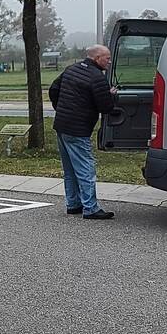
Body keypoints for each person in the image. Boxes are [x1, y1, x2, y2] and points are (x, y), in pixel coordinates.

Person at [48, 45, 117, 220]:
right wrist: (111, 95)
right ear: (96, 59)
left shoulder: (71, 69)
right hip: (78, 130)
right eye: (107, 58)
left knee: (70, 169)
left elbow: (53, 90)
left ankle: (73, 204)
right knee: (86, 168)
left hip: (62, 125)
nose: (109, 61)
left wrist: (62, 109)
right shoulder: (97, 78)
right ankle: (90, 208)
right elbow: (106, 107)